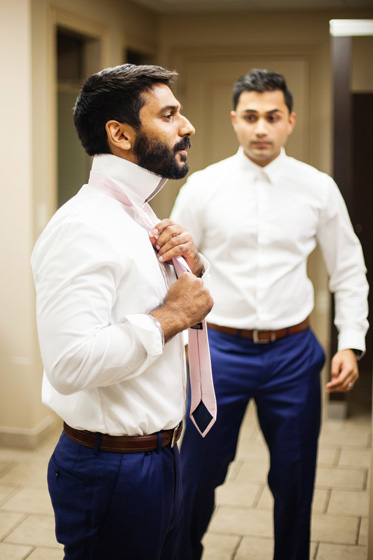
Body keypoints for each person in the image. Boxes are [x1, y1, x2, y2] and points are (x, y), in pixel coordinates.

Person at [171, 68, 369, 560]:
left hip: (293, 355)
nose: (262, 128)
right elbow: (174, 271)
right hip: (217, 353)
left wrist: (350, 342)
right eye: (252, 117)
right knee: (196, 475)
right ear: (234, 120)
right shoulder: (203, 186)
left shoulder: (318, 188)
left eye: (273, 117)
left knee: (295, 479)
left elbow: (348, 268)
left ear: (290, 122)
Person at [31, 63, 213, 560]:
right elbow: (69, 364)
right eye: (171, 114)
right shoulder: (83, 226)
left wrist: (190, 268)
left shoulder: (140, 214)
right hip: (111, 469)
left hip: (160, 455)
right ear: (120, 134)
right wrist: (171, 316)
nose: (188, 126)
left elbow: (149, 301)